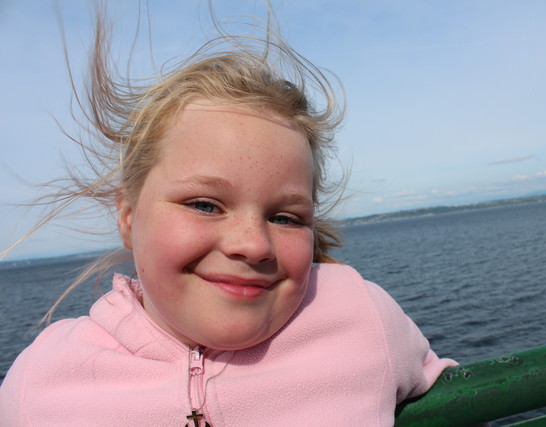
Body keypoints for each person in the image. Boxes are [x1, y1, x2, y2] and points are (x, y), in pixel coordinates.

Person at [0, 7, 456, 426]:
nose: (253, 244)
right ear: (127, 217)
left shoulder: (361, 317)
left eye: (284, 217)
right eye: (204, 205)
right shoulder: (43, 382)